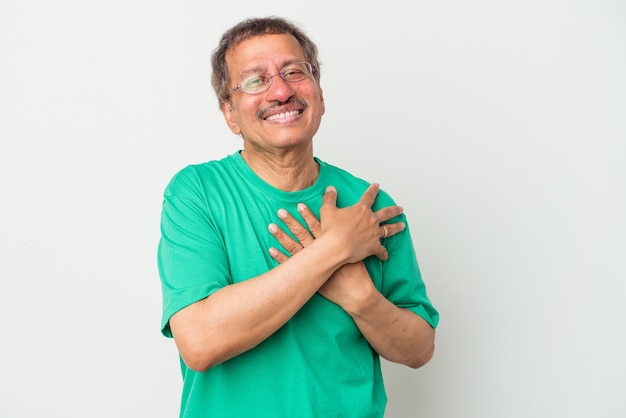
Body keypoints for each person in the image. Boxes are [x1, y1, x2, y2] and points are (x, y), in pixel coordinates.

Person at [157, 16, 439, 418]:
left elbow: (419, 349)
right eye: (255, 80)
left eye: (294, 72)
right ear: (230, 113)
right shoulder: (196, 192)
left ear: (320, 94)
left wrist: (359, 297)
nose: (281, 90)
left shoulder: (368, 204)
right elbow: (200, 342)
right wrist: (334, 250)